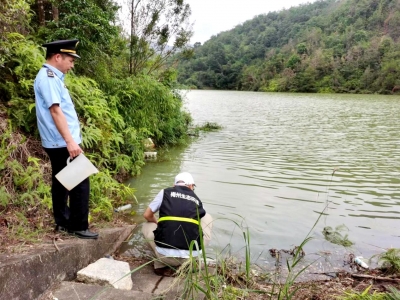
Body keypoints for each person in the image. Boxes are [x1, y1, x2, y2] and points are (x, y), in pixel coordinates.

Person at [34, 39, 98, 239]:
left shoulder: (49, 76)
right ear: (58, 57)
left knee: (61, 181)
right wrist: (70, 142)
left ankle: (63, 220)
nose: (72, 65)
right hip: (61, 141)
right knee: (80, 181)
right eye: (70, 60)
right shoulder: (50, 77)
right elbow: (55, 111)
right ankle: (78, 225)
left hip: (57, 140)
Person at [142, 172, 212, 276]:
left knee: (146, 224)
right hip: (190, 257)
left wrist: (158, 224)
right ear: (191, 186)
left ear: (174, 185)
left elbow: (147, 215)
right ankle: (194, 262)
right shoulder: (197, 199)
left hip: (164, 256)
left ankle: (160, 265)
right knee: (207, 217)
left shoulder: (164, 192)